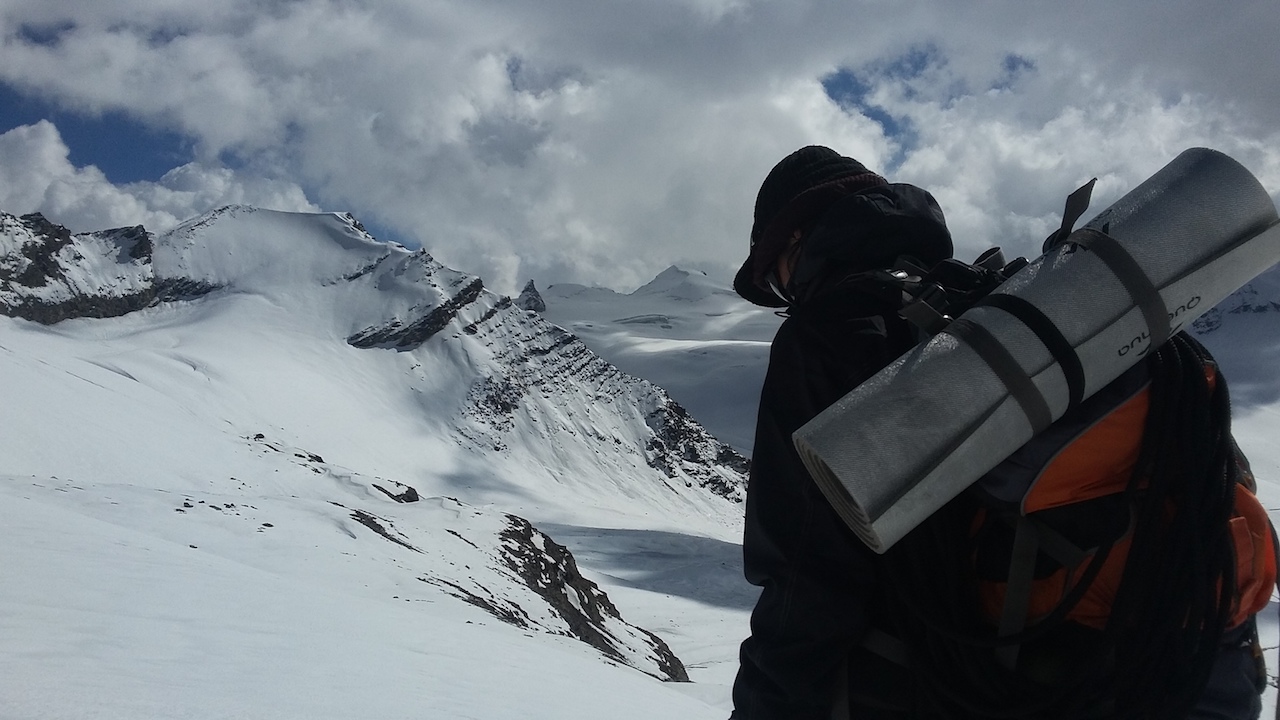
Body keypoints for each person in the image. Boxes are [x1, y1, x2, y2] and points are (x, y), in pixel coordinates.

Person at [728, 145, 1268, 719]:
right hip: (1199, 657)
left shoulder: (831, 334)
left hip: (1031, 683)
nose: (787, 299)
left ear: (795, 242)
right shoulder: (1008, 306)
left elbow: (808, 570)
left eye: (778, 284)